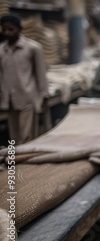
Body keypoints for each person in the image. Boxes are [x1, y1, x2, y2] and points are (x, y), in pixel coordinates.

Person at [0, 14, 49, 144]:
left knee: (27, 137)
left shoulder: (32, 48)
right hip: (9, 100)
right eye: (4, 29)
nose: (7, 33)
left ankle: (25, 162)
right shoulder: (1, 50)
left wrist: (44, 96)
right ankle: (13, 162)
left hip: (27, 98)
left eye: (10, 29)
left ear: (19, 29)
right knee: (13, 138)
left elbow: (40, 74)